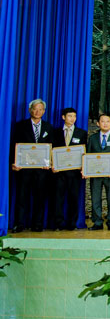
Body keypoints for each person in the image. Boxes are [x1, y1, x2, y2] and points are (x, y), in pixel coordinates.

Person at [11, 99, 53, 233]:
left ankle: (37, 224)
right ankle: (19, 224)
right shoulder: (20, 126)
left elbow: (51, 147)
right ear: (30, 110)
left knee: (40, 198)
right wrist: (13, 162)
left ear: (44, 111)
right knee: (21, 197)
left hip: (41, 170)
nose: (37, 111)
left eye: (40, 109)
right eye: (35, 109)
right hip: (24, 169)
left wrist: (50, 162)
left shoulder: (48, 127)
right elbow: (14, 145)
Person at [51, 107, 88, 231]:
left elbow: (85, 153)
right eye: (70, 116)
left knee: (73, 198)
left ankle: (72, 223)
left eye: (74, 116)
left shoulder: (81, 133)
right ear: (63, 117)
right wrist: (52, 164)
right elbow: (51, 151)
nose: (72, 119)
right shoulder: (55, 132)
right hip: (59, 173)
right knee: (58, 199)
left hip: (74, 173)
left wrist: (84, 168)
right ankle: (58, 223)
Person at [87, 113, 110, 231]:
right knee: (95, 198)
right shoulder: (92, 138)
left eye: (108, 121)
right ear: (98, 123)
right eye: (102, 121)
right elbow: (88, 156)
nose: (105, 124)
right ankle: (97, 222)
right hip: (96, 174)